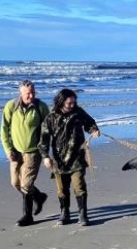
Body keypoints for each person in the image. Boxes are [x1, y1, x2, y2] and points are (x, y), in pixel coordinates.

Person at [38, 88, 100, 226]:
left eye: (74, 102)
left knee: (79, 186)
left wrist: (94, 130)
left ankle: (83, 214)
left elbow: (89, 122)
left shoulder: (78, 112)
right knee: (62, 189)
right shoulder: (51, 118)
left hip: (77, 157)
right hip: (59, 160)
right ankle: (64, 212)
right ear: (61, 102)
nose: (73, 105)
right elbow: (43, 139)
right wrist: (45, 157)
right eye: (69, 103)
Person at [0, 80, 50, 226]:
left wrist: (45, 151)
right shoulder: (11, 106)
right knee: (15, 183)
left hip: (33, 152)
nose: (31, 95)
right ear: (20, 93)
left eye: (33, 92)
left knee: (26, 185)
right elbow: (4, 130)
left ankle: (27, 216)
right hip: (15, 152)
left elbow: (47, 131)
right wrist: (8, 150)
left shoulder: (41, 107)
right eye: (28, 93)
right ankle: (39, 197)